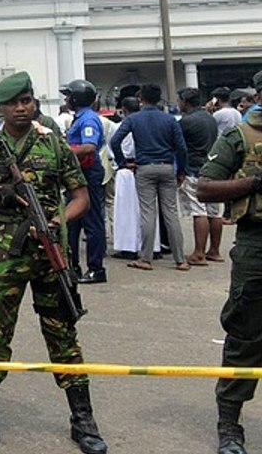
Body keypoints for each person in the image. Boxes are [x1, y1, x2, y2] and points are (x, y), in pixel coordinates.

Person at [0, 71, 107, 453]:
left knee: (63, 332)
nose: (22, 108)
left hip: (51, 252)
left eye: (28, 101)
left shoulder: (52, 144)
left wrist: (58, 220)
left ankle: (82, 418)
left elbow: (80, 195)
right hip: (3, 256)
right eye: (14, 103)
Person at [195, 70, 262, 454]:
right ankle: (230, 423)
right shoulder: (239, 135)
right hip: (256, 243)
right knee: (245, 333)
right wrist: (253, 184)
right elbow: (205, 186)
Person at [108, 84, 189, 271]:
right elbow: (182, 148)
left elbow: (115, 140)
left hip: (144, 168)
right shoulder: (169, 120)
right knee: (171, 213)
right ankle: (180, 259)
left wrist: (123, 162)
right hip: (167, 166)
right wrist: (181, 170)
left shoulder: (134, 119)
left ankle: (146, 258)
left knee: (148, 213)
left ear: (141, 99)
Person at [60, 79, 108, 285]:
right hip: (77, 173)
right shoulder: (80, 118)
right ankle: (72, 266)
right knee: (72, 221)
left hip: (87, 173)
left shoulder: (88, 119)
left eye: (69, 95)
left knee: (92, 221)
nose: (66, 99)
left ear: (77, 97)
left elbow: (89, 147)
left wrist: (64, 152)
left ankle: (96, 268)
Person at [179, 88, 224, 266]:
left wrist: (180, 170)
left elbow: (180, 148)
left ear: (184, 101)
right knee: (215, 212)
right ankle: (215, 250)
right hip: (213, 169)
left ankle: (199, 253)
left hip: (194, 168)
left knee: (199, 211)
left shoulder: (186, 121)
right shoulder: (210, 118)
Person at [110, 98, 143, 259]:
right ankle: (150, 245)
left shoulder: (121, 126)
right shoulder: (145, 124)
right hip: (141, 166)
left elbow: (114, 143)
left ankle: (127, 246)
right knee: (144, 209)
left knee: (125, 210)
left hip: (126, 167)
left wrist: (121, 161)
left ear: (124, 109)